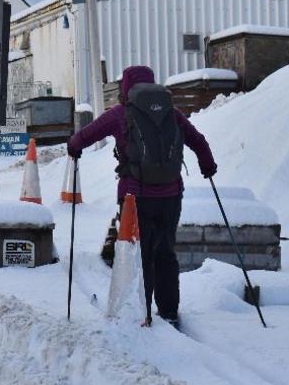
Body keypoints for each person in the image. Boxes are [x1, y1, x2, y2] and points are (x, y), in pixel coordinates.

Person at [67, 66, 216, 329]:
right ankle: (169, 312)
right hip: (171, 194)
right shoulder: (173, 113)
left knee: (141, 254)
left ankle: (143, 312)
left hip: (134, 199)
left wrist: (73, 147)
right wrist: (207, 166)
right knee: (166, 252)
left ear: (126, 88)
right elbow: (198, 141)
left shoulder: (119, 114)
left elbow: (84, 137)